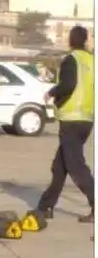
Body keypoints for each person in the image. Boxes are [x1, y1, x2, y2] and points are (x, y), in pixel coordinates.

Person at [36, 25, 94, 224]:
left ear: (71, 40)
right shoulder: (91, 61)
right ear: (86, 40)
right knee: (60, 166)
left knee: (76, 166)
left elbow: (68, 85)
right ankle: (45, 207)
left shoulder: (72, 60)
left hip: (71, 119)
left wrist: (52, 92)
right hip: (86, 119)